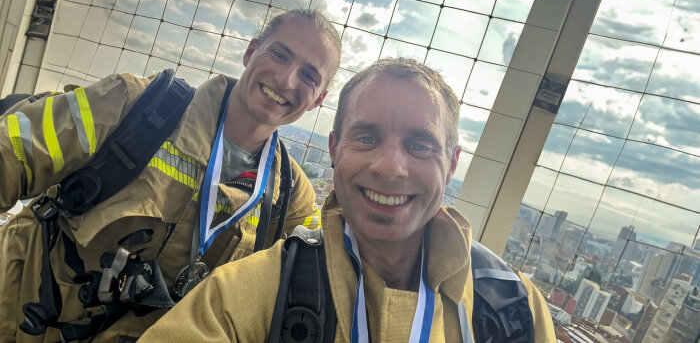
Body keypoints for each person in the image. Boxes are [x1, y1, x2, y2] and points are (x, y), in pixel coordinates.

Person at [138, 58, 557, 342]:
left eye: (419, 145)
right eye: (368, 137)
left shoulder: (514, 307)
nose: (390, 167)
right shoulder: (245, 298)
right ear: (335, 149)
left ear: (450, 165)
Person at [0, 9, 341, 342]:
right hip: (18, 317)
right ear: (251, 52)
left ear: (318, 100)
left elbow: (334, 267)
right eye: (279, 55)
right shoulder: (132, 105)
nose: (286, 79)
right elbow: (9, 154)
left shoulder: (291, 195)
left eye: (309, 76)